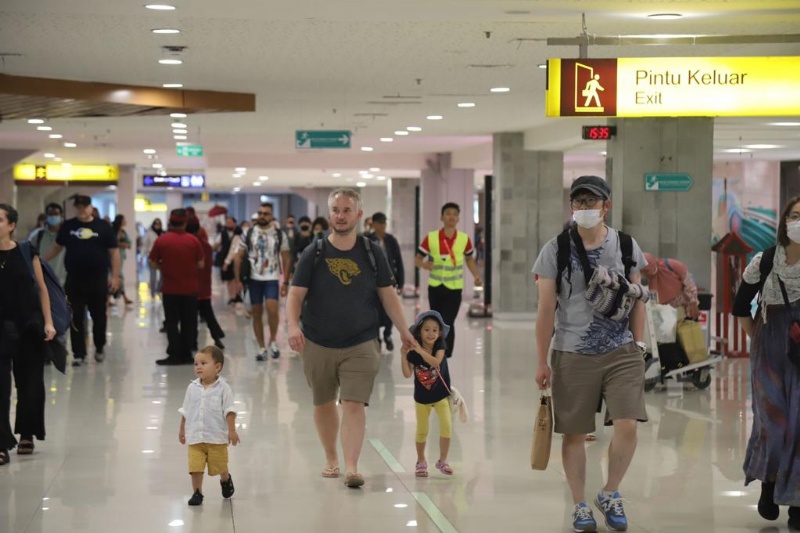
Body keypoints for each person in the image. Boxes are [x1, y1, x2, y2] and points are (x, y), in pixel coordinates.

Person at [533, 175, 649, 533]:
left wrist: (640, 345)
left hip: (621, 348)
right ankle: (580, 504)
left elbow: (636, 298)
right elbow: (545, 308)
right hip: (572, 352)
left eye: (592, 202)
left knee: (628, 423)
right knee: (574, 433)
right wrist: (542, 360)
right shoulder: (556, 249)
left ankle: (610, 492)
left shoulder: (627, 246)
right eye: (579, 202)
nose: (585, 208)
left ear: (606, 206)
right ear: (572, 206)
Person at [287, 188, 414, 488]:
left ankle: (352, 467)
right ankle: (332, 458)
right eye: (336, 210)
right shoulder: (314, 252)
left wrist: (405, 330)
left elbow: (388, 294)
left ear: (359, 215)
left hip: (361, 341)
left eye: (347, 210)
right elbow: (295, 294)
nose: (341, 215)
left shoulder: (372, 252)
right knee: (324, 403)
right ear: (329, 214)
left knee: (355, 403)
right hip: (317, 341)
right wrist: (293, 326)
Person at [732, 197, 800, 530]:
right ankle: (769, 485)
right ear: (785, 220)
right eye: (796, 216)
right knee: (773, 421)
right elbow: (741, 305)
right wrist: (757, 339)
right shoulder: (767, 260)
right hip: (770, 349)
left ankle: (798, 497)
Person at [0, 204, 56, 465]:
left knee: (30, 383)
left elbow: (42, 289)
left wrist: (48, 322)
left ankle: (27, 432)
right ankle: (1, 443)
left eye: (0, 220)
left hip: (28, 326)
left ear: (11, 225)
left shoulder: (25, 251)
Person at [44, 195, 120, 366]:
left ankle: (99, 346)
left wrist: (115, 276)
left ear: (91, 208)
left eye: (85, 207)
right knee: (75, 316)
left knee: (99, 315)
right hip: (74, 279)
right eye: (79, 207)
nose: (82, 210)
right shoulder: (69, 226)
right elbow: (57, 247)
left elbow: (114, 252)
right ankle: (79, 353)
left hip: (98, 279)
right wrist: (40, 261)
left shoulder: (103, 226)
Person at [416, 202, 482, 358]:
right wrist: (424, 265)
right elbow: (417, 259)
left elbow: (469, 260)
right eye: (448, 213)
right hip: (435, 287)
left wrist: (476, 276)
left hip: (454, 288)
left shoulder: (464, 239)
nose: (451, 217)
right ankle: (434, 351)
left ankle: (445, 353)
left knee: (447, 321)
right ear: (441, 217)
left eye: (454, 214)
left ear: (458, 218)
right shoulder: (431, 238)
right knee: (436, 323)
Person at [178, 345, 239, 506]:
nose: (198, 366)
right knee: (195, 467)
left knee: (219, 465)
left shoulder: (223, 389)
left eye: (203, 363)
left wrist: (231, 430)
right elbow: (186, 410)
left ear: (217, 367)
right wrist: (182, 429)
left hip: (216, 436)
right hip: (195, 436)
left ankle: (225, 478)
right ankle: (197, 492)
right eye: (196, 363)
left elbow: (229, 410)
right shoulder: (192, 388)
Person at [400, 311, 454, 477]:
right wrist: (404, 355)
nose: (431, 333)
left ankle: (442, 461)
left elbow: (436, 362)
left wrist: (419, 350)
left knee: (446, 426)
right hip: (422, 398)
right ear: (419, 332)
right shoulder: (413, 354)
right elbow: (407, 374)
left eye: (435, 330)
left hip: (440, 396)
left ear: (439, 333)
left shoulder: (440, 346)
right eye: (426, 329)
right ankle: (421, 461)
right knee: (422, 430)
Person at [234, 202, 290, 361]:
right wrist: (238, 280)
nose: (262, 216)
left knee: (272, 309)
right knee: (256, 312)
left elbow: (286, 258)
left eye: (265, 213)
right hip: (253, 278)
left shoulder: (279, 234)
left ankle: (273, 340)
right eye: (260, 213)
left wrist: (285, 281)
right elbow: (238, 256)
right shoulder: (248, 233)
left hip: (272, 278)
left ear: (272, 216)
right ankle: (261, 347)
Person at [148, 209, 204, 365]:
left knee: (172, 322)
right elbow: (201, 263)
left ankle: (174, 353)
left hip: (170, 289)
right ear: (185, 223)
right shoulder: (193, 241)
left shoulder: (162, 241)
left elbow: (152, 262)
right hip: (190, 289)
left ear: (170, 223)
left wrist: (164, 267)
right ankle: (186, 354)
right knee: (189, 322)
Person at [187, 217, 225, 350]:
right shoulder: (206, 245)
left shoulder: (190, 244)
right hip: (205, 286)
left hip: (191, 286)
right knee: (208, 314)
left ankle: (193, 343)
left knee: (191, 318)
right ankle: (217, 337)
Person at [368, 212, 405, 351]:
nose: (383, 226)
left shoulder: (391, 240)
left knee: (390, 310)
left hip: (389, 281)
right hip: (372, 282)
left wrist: (400, 282)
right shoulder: (368, 239)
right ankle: (376, 336)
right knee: (375, 311)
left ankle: (387, 335)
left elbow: (399, 261)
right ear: (374, 225)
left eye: (384, 223)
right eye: (380, 223)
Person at [640, 253, 700, 319]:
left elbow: (689, 283)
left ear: (652, 266)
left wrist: (693, 301)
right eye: (642, 271)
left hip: (685, 306)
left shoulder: (671, 265)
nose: (645, 274)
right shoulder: (645, 280)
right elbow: (653, 303)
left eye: (646, 271)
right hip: (665, 313)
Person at [28, 202, 67, 286]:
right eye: (50, 214)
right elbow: (28, 254)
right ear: (46, 217)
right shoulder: (37, 235)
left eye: (56, 214)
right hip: (42, 281)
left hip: (63, 281)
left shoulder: (66, 235)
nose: (53, 216)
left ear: (61, 216)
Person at [111, 215, 134, 306]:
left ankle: (119, 297)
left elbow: (129, 244)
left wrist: (123, 244)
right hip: (113, 257)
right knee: (118, 275)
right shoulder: (113, 231)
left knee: (118, 275)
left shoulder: (124, 232)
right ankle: (124, 297)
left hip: (121, 257)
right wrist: (120, 243)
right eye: (124, 219)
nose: (125, 221)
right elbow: (112, 243)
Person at [143, 218, 164, 299]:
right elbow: (145, 244)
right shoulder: (149, 233)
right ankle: (152, 293)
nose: (157, 226)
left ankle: (159, 289)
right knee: (153, 275)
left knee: (162, 275)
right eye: (156, 224)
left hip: (161, 256)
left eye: (159, 224)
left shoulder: (163, 233)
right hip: (151, 256)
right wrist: (143, 255)